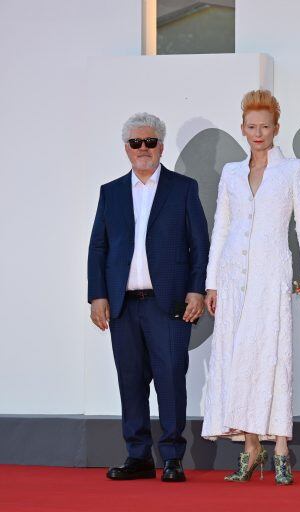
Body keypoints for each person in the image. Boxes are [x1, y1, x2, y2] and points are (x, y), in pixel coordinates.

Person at [202, 90, 300, 485]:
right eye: (251, 127)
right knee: (238, 357)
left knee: (271, 353)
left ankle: (281, 448)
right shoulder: (231, 173)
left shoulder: (293, 170)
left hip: (272, 272)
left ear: (276, 128)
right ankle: (251, 448)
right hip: (233, 275)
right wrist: (212, 282)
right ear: (242, 128)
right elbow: (221, 226)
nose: (258, 133)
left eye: (264, 127)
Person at [88, 113, 209, 482]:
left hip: (168, 302)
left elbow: (199, 245)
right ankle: (138, 456)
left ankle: (172, 457)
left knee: (171, 378)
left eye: (150, 142)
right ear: (126, 148)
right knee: (131, 381)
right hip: (123, 305)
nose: (144, 149)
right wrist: (97, 296)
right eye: (136, 143)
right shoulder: (110, 192)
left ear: (161, 145)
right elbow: (99, 247)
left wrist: (196, 289)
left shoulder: (183, 188)